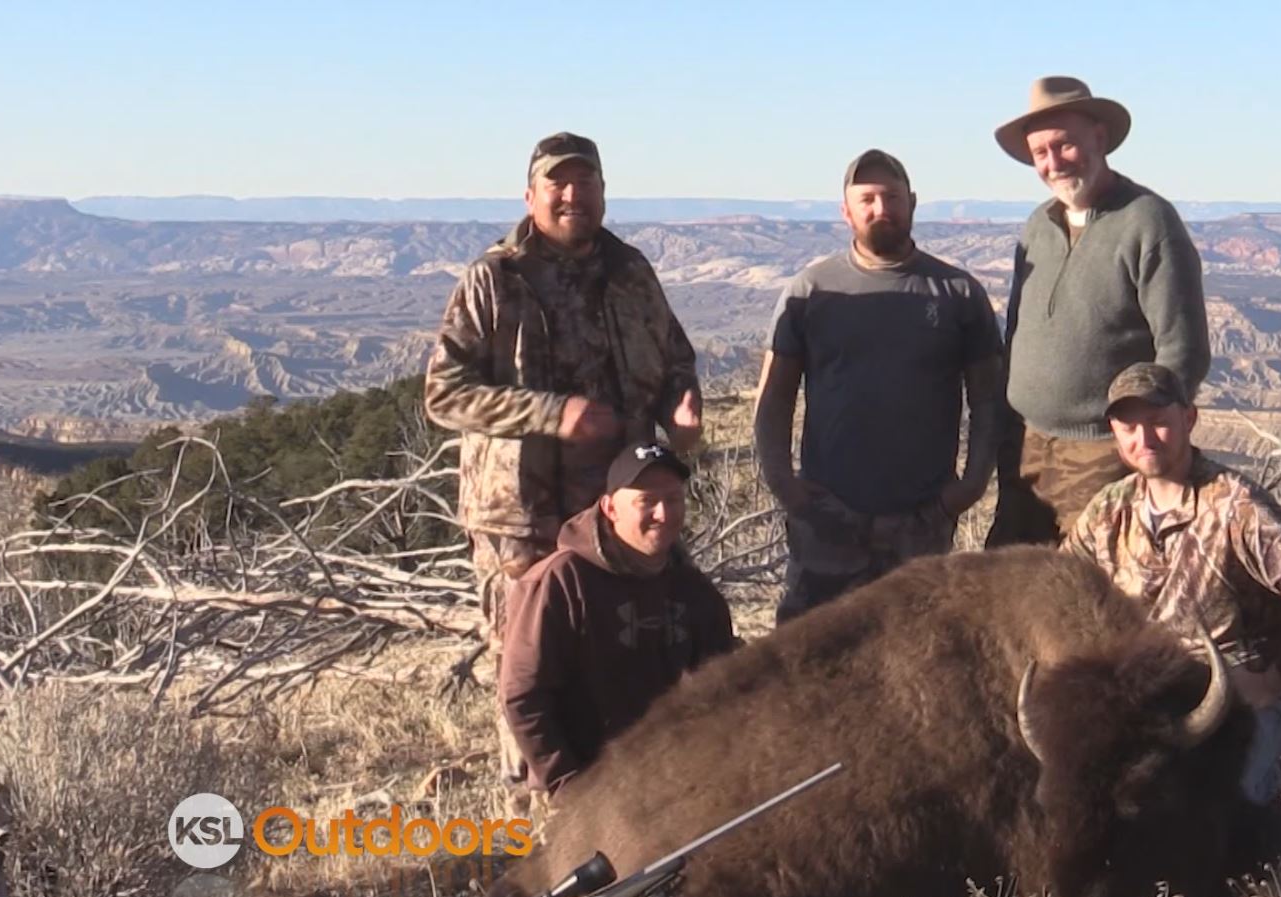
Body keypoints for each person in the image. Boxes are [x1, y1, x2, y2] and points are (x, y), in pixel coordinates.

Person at [423, 131, 704, 792]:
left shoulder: (631, 271)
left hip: (622, 511)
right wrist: (553, 414)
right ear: (532, 195)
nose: (573, 195)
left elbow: (676, 357)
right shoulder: (494, 279)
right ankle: (538, 816)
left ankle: (631, 808)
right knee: (529, 669)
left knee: (632, 656)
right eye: (559, 184)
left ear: (604, 192)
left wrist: (683, 404)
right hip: (524, 516)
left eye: (586, 183)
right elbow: (443, 392)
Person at [1062, 363, 1281, 827]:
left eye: (1159, 420)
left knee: (1205, 817)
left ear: (1189, 419)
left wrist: (1273, 683)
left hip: (1237, 702)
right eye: (1129, 426)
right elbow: (1061, 593)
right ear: (1115, 433)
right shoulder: (1108, 510)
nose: (1145, 438)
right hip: (1148, 697)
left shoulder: (1234, 504)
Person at [753, 149, 1002, 623]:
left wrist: (968, 488)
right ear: (845, 211)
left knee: (920, 655)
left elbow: (988, 399)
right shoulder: (811, 289)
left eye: (891, 196)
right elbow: (775, 396)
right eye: (866, 198)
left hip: (922, 519)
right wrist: (787, 487)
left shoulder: (958, 293)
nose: (880, 208)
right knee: (813, 655)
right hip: (829, 517)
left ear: (912, 203)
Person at [987, 76, 1211, 546]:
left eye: (1064, 145)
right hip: (1025, 448)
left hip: (1103, 453)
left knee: (1091, 592)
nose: (1053, 163)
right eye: (1039, 154)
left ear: (1100, 138)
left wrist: (1144, 443)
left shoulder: (1148, 220)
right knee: (1016, 590)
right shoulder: (1036, 226)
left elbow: (1182, 350)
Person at [500, 442, 737, 797]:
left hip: (673, 784)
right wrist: (568, 787)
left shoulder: (694, 591)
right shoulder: (562, 581)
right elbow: (522, 695)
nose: (663, 513)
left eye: (673, 499)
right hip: (583, 789)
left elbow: (725, 684)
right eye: (646, 502)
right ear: (610, 508)